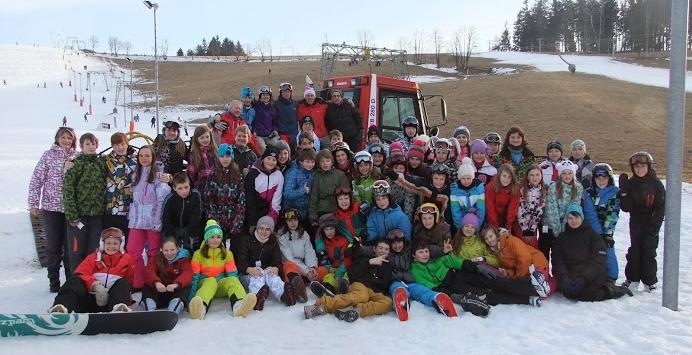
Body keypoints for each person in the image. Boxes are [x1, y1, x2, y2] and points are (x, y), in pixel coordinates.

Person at [28, 127, 77, 292]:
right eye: (63, 137)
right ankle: (54, 282)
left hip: (71, 209)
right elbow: (36, 179)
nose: (66, 140)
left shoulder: (77, 156)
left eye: (69, 138)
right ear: (57, 138)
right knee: (53, 245)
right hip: (51, 207)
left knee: (70, 247)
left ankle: (70, 282)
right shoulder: (48, 155)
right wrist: (34, 203)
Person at [552, 204, 633, 301]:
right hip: (571, 275)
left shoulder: (593, 236)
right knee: (569, 293)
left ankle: (611, 290)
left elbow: (599, 261)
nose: (573, 221)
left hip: (591, 275)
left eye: (576, 217)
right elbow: (557, 260)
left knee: (587, 294)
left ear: (582, 217)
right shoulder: (562, 238)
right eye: (570, 218)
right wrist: (564, 277)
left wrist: (584, 278)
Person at [49, 228, 134, 313]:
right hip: (89, 301)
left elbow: (130, 281)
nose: (111, 246)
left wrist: (126, 297)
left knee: (123, 282)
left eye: (115, 243)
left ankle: (119, 309)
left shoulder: (127, 259)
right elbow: (80, 274)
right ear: (102, 244)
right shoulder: (93, 258)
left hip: (112, 302)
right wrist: (94, 285)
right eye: (108, 243)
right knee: (74, 280)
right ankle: (61, 307)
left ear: (121, 245)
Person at [304, 240, 393, 322]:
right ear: (374, 248)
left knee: (388, 302)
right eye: (380, 248)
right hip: (360, 285)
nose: (382, 251)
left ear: (389, 252)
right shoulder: (365, 258)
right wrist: (369, 262)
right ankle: (320, 305)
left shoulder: (388, 266)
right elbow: (352, 273)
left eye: (386, 249)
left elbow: (384, 284)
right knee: (362, 297)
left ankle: (355, 310)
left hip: (373, 291)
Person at [188, 220, 257, 319]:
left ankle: (239, 305)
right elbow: (195, 277)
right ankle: (200, 308)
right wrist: (191, 298)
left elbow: (232, 274)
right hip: (204, 286)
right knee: (211, 281)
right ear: (206, 238)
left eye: (218, 237)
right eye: (212, 237)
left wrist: (236, 287)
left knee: (232, 279)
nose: (215, 240)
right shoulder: (198, 254)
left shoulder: (227, 254)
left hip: (220, 285)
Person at [618, 152, 665, 292]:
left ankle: (649, 280)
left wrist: (654, 228)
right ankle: (632, 278)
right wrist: (624, 192)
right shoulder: (631, 183)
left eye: (643, 166)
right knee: (635, 250)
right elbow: (626, 208)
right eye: (636, 167)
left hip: (651, 221)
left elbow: (661, 208)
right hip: (636, 221)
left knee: (649, 250)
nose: (639, 169)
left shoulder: (656, 185)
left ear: (649, 167)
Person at [127, 145, 171, 291]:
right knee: (133, 250)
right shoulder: (135, 175)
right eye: (141, 156)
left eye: (147, 156)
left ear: (152, 158)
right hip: (137, 220)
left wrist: (157, 220)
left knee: (153, 253)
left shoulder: (158, 177)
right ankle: (138, 281)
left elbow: (161, 200)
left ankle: (152, 281)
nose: (144, 159)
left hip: (152, 221)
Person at [236, 215, 300, 310]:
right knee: (257, 277)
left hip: (266, 270)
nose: (264, 232)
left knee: (273, 276)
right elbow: (240, 259)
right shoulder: (247, 240)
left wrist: (276, 268)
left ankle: (284, 294)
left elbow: (277, 259)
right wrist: (248, 269)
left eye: (267, 229)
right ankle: (257, 297)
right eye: (261, 228)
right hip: (248, 273)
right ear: (257, 229)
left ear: (271, 231)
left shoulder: (273, 242)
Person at [63, 133, 105, 273]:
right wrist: (72, 214)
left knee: (93, 251)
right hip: (79, 217)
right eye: (88, 144)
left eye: (93, 144)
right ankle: (77, 282)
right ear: (81, 146)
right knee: (76, 251)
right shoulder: (76, 163)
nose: (91, 147)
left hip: (96, 216)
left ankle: (89, 281)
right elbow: (68, 190)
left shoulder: (101, 163)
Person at [203, 143, 246, 254]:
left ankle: (235, 266)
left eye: (227, 156)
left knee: (236, 246)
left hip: (233, 215)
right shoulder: (212, 174)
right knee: (217, 247)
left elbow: (241, 199)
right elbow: (208, 199)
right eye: (222, 156)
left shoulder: (237, 174)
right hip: (217, 215)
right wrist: (214, 219)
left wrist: (237, 220)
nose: (225, 159)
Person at [582, 163, 620, 282]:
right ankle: (593, 274)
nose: (601, 181)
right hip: (592, 228)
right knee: (591, 250)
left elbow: (613, 213)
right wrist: (598, 233)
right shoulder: (588, 193)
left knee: (608, 248)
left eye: (604, 178)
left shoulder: (614, 192)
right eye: (598, 178)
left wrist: (606, 233)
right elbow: (590, 213)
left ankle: (612, 276)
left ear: (609, 178)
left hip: (607, 227)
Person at [542, 160, 583, 261]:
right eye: (564, 173)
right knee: (544, 251)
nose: (567, 176)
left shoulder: (578, 188)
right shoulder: (553, 187)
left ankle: (558, 274)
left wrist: (564, 230)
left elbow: (573, 208)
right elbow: (552, 209)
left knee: (560, 255)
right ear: (560, 174)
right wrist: (557, 231)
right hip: (551, 224)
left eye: (570, 173)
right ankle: (544, 272)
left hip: (566, 225)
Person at [142, 238, 192, 314]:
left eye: (172, 250)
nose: (169, 253)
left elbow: (188, 273)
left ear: (177, 249)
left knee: (185, 287)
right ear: (161, 250)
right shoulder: (157, 259)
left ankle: (173, 310)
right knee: (147, 286)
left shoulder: (183, 260)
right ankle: (150, 309)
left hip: (174, 292)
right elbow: (149, 271)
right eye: (166, 250)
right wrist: (156, 282)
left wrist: (176, 284)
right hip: (160, 292)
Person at [277, 209, 319, 297]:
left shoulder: (304, 234)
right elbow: (289, 258)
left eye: (295, 220)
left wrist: (311, 267)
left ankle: (324, 286)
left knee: (320, 271)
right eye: (290, 221)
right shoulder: (282, 236)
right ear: (285, 222)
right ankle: (296, 288)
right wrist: (306, 272)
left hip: (304, 266)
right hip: (290, 265)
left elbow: (309, 252)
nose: (293, 223)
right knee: (290, 267)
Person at [102, 133, 137, 236]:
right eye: (116, 145)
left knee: (126, 240)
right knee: (109, 239)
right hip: (110, 208)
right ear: (112, 146)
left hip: (128, 208)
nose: (120, 148)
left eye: (122, 144)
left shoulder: (135, 161)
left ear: (127, 143)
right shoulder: (106, 160)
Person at [245, 146, 284, 232]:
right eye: (268, 158)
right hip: (254, 211)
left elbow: (276, 200)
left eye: (274, 160)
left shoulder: (279, 175)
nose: (271, 162)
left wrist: (272, 220)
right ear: (263, 159)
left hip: (268, 211)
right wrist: (252, 222)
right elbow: (250, 199)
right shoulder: (253, 174)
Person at [162, 173, 202, 252]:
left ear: (189, 185)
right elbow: (166, 218)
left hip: (188, 226)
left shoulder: (195, 195)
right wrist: (169, 236)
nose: (184, 191)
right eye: (180, 188)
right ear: (174, 188)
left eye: (186, 187)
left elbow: (196, 215)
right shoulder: (170, 198)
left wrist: (193, 234)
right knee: (174, 249)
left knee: (191, 249)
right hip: (174, 227)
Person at [309, 149, 350, 225]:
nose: (325, 164)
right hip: (322, 210)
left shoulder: (339, 174)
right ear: (319, 163)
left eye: (327, 161)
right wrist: (313, 216)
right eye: (322, 161)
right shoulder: (316, 176)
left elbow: (347, 194)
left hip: (337, 209)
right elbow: (313, 197)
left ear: (331, 162)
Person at [313, 213, 352, 294]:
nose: (329, 232)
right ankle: (327, 288)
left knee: (346, 274)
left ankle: (342, 286)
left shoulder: (343, 241)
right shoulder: (322, 241)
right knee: (327, 275)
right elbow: (323, 257)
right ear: (323, 231)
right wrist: (329, 268)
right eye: (326, 230)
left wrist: (338, 273)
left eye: (331, 229)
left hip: (344, 267)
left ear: (336, 229)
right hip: (331, 267)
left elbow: (346, 260)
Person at [450, 157, 486, 231]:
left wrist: (477, 227)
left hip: (475, 223)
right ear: (459, 178)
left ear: (472, 177)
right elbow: (455, 211)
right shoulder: (455, 191)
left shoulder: (479, 189)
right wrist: (460, 229)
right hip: (462, 224)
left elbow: (481, 210)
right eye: (463, 178)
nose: (466, 181)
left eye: (469, 178)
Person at [485, 164, 521, 236]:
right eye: (504, 176)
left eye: (509, 177)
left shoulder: (515, 188)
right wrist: (496, 228)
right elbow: (490, 208)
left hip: (507, 218)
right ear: (499, 176)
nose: (506, 179)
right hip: (492, 218)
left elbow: (512, 208)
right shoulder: (490, 187)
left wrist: (508, 226)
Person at [282, 149, 316, 226]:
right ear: (301, 162)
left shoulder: (311, 173)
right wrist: (302, 191)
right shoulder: (292, 173)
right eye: (307, 162)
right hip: (292, 212)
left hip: (305, 212)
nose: (310, 164)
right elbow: (287, 194)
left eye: (312, 162)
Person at [518, 165, 548, 248]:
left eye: (537, 175)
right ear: (527, 177)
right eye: (532, 175)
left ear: (541, 176)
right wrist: (525, 229)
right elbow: (520, 209)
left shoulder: (544, 190)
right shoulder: (522, 189)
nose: (535, 178)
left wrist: (531, 229)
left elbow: (539, 211)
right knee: (522, 245)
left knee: (533, 246)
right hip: (521, 224)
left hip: (533, 225)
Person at [187, 126, 218, 195]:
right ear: (196, 139)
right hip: (201, 186)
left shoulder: (214, 150)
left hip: (215, 185)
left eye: (207, 137)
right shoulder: (194, 153)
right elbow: (192, 173)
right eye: (202, 138)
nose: (205, 140)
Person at [252, 85, 278, 153]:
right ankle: (261, 163)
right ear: (260, 96)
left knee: (277, 145)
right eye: (263, 95)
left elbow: (274, 122)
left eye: (267, 95)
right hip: (258, 135)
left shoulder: (273, 109)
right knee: (263, 148)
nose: (266, 97)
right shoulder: (255, 107)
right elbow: (254, 121)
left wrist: (275, 130)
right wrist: (254, 131)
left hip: (269, 135)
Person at [275, 82, 299, 150]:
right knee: (284, 149)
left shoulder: (295, 104)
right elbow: (274, 119)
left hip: (294, 133)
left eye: (288, 91)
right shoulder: (276, 105)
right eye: (284, 91)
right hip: (282, 133)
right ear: (281, 93)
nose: (286, 93)